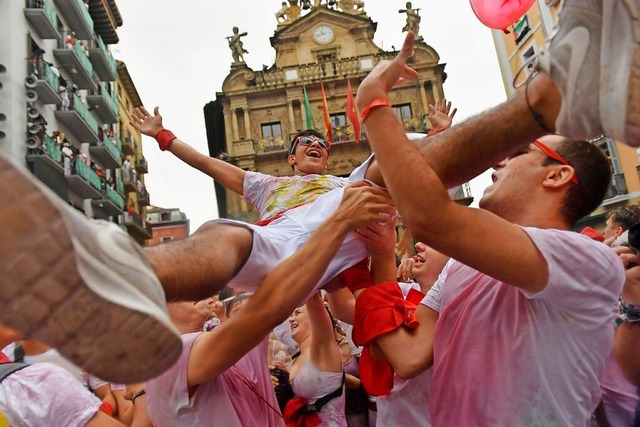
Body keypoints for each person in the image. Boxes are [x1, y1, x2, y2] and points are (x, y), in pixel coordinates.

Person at [2, 0, 639, 385]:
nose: (308, 144)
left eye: (315, 140)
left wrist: (410, 138)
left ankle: (561, 95)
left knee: (392, 174)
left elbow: (420, 187)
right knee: (227, 237)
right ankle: (96, 272)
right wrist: (164, 136)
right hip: (290, 247)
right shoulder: (269, 184)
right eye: (299, 138)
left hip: (349, 232)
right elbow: (215, 168)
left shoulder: (351, 178)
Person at [348, 29, 626, 425]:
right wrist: (372, 262)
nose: (497, 163)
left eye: (516, 153)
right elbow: (407, 356)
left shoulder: (590, 260)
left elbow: (430, 218)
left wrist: (374, 105)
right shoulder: (460, 268)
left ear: (557, 176)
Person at [140, 182, 393, 426]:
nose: (200, 290)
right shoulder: (168, 360)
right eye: (177, 288)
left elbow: (272, 282)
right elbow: (267, 308)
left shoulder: (219, 337)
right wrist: (338, 222)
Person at [284, 292, 347, 426]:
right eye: (290, 315)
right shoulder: (293, 358)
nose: (290, 319)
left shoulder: (323, 347)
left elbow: (312, 299)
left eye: (297, 313)